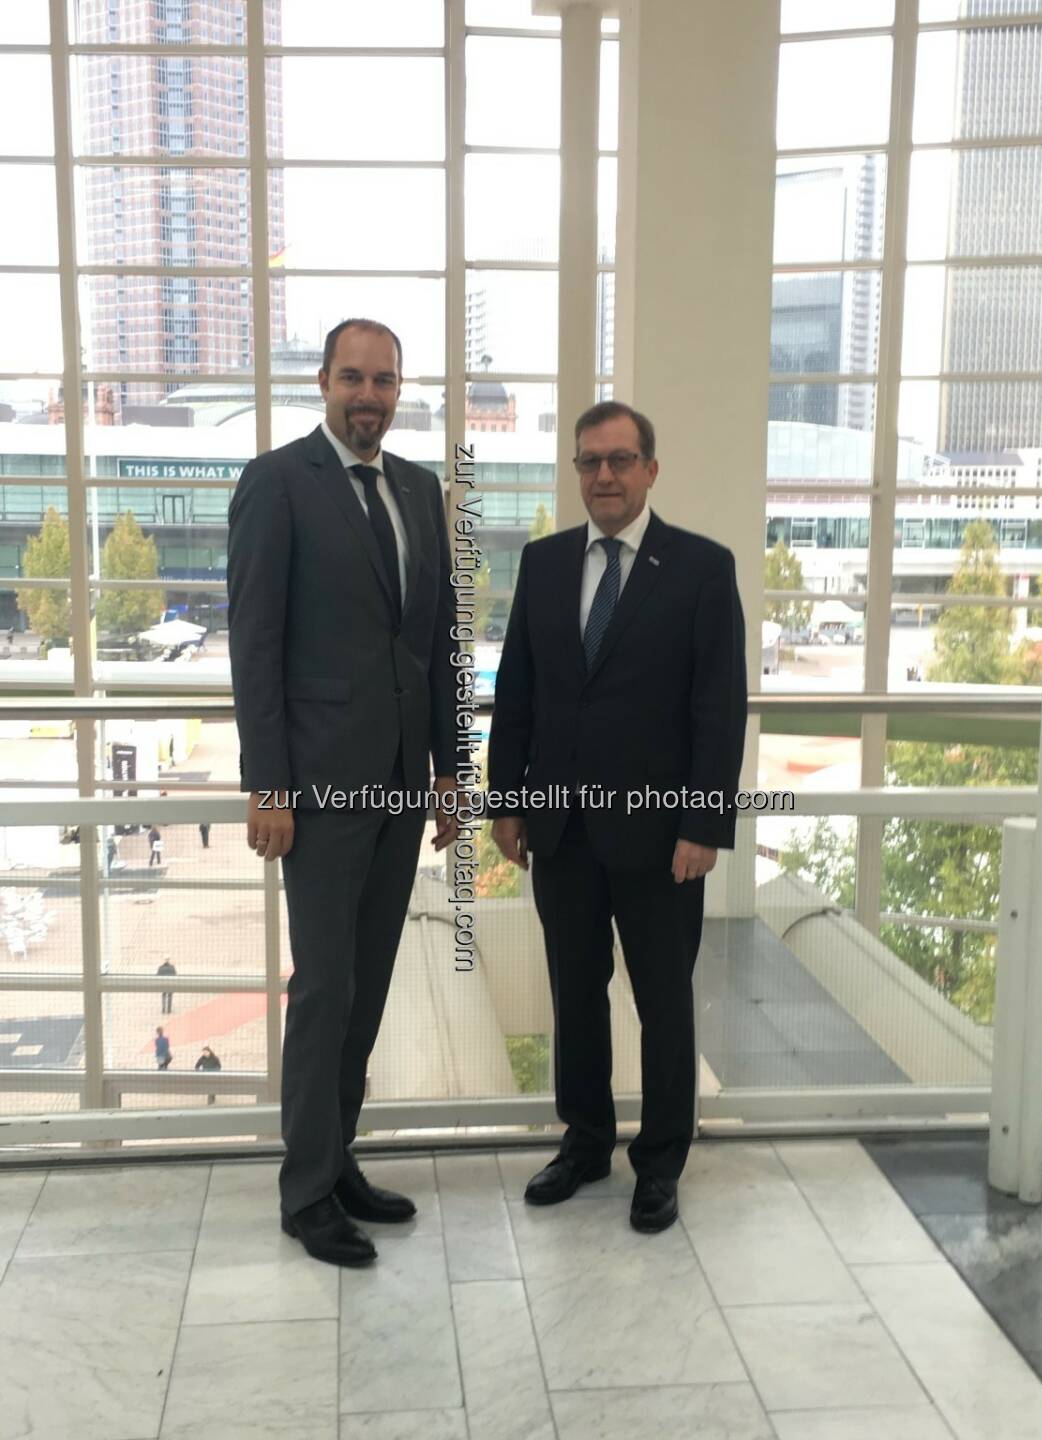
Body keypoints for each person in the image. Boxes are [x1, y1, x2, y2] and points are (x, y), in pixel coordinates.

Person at [227, 317, 458, 1269]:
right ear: (322, 381)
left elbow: (440, 642)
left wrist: (452, 772)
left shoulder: (419, 488)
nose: (370, 394)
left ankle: (340, 1158)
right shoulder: (277, 483)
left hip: (404, 783)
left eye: (386, 380)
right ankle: (305, 1191)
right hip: (317, 794)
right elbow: (257, 647)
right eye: (354, 377)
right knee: (324, 989)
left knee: (366, 986)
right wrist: (268, 786)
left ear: (401, 389)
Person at [488, 401, 747, 1235]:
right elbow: (517, 692)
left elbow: (719, 707)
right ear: (576, 471)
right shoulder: (545, 563)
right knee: (576, 992)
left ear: (650, 470)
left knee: (664, 1002)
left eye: (620, 460)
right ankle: (586, 1140)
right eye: (589, 462)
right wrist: (507, 802)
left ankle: (662, 1160)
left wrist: (703, 825)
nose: (604, 475)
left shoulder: (703, 568)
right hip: (560, 828)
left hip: (661, 836)